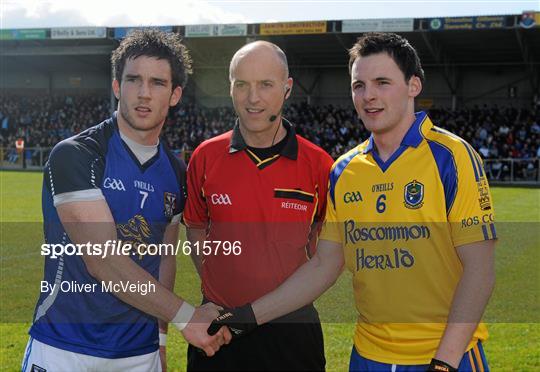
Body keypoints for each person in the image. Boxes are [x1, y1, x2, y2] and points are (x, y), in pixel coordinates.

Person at [210, 32, 497, 372]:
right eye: (359, 85)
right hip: (367, 356)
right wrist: (247, 317)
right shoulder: (345, 170)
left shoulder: (452, 157)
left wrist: (445, 362)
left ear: (413, 85)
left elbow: (480, 268)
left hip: (443, 357)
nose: (368, 96)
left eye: (382, 82)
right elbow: (324, 265)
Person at [22, 29, 230, 372]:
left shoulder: (176, 172)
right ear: (117, 86)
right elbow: (104, 261)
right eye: (133, 80)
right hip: (63, 347)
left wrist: (161, 340)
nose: (144, 93)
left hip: (138, 354)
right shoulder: (77, 155)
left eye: (158, 83)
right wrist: (186, 318)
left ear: (175, 94)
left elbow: (164, 258)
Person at [183, 40, 335, 370]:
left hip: (292, 332)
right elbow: (195, 229)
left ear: (287, 88)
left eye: (266, 84)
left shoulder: (320, 165)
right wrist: (219, 288)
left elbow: (323, 252)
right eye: (242, 85)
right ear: (230, 87)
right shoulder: (205, 157)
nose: (253, 98)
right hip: (219, 327)